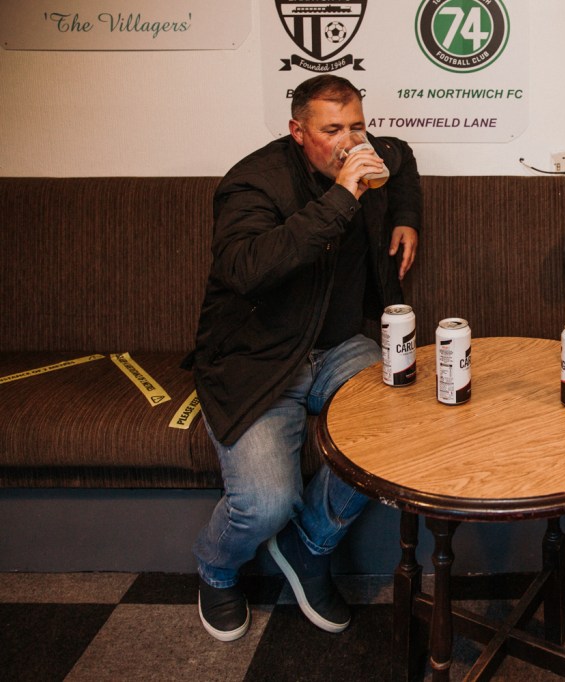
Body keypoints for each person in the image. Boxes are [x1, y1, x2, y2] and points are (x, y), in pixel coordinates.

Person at [187, 74, 422, 642]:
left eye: (357, 126)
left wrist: (406, 215)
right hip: (259, 358)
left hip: (339, 348)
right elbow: (246, 269)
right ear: (297, 131)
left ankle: (309, 545)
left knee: (406, 428)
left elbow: (402, 157)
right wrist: (342, 197)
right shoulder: (252, 183)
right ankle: (217, 570)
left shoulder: (374, 153)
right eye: (332, 130)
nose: (351, 141)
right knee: (266, 503)